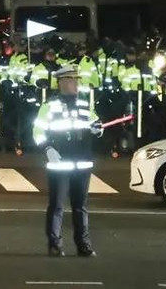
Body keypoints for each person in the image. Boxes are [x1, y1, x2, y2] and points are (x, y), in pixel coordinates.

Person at [33, 65, 104, 258]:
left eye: (77, 80)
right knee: (56, 205)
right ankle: (54, 243)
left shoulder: (84, 104)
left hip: (82, 162)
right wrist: (47, 148)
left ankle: (84, 244)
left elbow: (95, 123)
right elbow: (37, 132)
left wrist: (98, 128)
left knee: (80, 206)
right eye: (72, 80)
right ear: (62, 82)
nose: (76, 84)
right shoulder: (49, 106)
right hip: (60, 162)